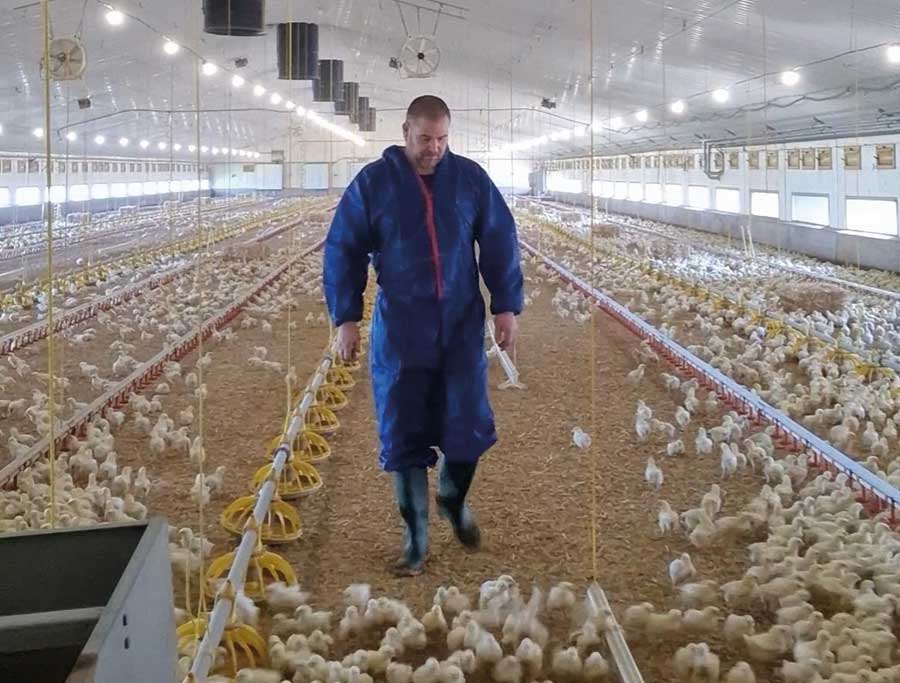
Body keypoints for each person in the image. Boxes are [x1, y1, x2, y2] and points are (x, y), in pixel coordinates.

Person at [323, 95, 523, 575]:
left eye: (442, 139)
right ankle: (415, 538)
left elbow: (499, 237)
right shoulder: (375, 183)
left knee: (469, 422)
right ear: (406, 132)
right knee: (403, 429)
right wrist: (345, 317)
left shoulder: (469, 179)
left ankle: (453, 500)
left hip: (459, 323)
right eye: (425, 139)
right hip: (402, 327)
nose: (434, 148)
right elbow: (343, 247)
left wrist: (507, 305)